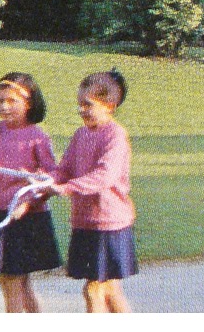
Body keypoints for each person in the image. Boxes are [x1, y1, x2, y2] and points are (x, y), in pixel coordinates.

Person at [48, 70, 136, 313]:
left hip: (108, 223)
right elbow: (64, 168)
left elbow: (104, 176)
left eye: (87, 105)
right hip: (85, 222)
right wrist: (47, 181)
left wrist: (67, 188)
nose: (81, 110)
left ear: (110, 105)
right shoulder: (81, 135)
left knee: (94, 289)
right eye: (79, 105)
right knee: (109, 290)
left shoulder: (115, 135)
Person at [0, 73, 61, 312]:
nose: (4, 106)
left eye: (11, 101)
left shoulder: (37, 137)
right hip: (2, 211)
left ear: (29, 103)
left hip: (27, 215)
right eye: (0, 101)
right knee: (15, 279)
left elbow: (49, 175)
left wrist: (27, 200)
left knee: (13, 278)